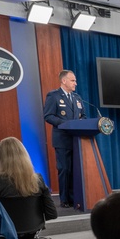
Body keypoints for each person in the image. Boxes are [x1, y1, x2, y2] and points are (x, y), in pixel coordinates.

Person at [0, 137, 57, 239]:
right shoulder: (38, 179)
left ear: (1, 158)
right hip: (33, 230)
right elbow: (52, 214)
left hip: (5, 234)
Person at [42, 70, 85, 210]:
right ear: (64, 81)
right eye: (73, 81)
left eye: (75, 81)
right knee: (64, 169)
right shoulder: (53, 96)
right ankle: (65, 199)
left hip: (77, 140)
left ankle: (75, 198)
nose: (75, 83)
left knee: (75, 170)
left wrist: (81, 123)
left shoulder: (77, 98)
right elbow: (48, 116)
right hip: (62, 140)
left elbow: (83, 116)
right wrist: (65, 123)